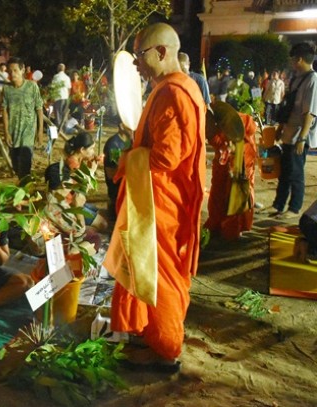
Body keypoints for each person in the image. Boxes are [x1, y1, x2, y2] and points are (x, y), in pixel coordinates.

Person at [104, 23, 206, 369]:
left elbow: (165, 158)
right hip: (157, 198)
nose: (136, 65)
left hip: (161, 204)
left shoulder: (174, 93)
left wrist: (127, 157)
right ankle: (152, 338)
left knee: (159, 275)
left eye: (140, 56)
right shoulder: (175, 87)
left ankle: (166, 351)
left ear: (161, 52)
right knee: (148, 272)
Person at [266, 42, 317, 219]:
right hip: (288, 133)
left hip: (299, 137)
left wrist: (303, 138)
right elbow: (288, 107)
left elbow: (309, 112)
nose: (291, 62)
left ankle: (294, 208)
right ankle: (279, 205)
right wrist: (280, 128)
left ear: (300, 59)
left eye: (292, 59)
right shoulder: (296, 78)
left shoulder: (312, 80)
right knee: (285, 173)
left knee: (296, 173)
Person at [205, 103, 257, 240]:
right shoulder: (240, 125)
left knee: (234, 191)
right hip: (231, 160)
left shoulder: (243, 124)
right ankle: (228, 226)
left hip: (238, 159)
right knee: (225, 191)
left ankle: (231, 227)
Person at [44, 131, 107, 232]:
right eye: (91, 148)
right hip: (69, 204)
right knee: (102, 225)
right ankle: (84, 232)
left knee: (101, 213)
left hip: (71, 200)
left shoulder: (76, 160)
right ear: (82, 149)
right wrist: (91, 171)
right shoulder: (73, 165)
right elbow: (82, 192)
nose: (93, 151)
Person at [2, 56, 44, 179]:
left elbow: (39, 108)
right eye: (10, 71)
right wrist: (6, 132)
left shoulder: (32, 87)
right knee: (15, 165)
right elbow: (4, 111)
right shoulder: (7, 89)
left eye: (15, 70)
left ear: (22, 70)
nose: (12, 74)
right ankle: (23, 186)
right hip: (13, 132)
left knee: (25, 167)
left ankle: (25, 191)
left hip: (28, 132)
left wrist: (40, 131)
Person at [103, 122, 132, 219]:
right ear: (121, 126)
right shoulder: (114, 145)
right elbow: (112, 173)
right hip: (117, 190)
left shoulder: (129, 141)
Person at [51, 63, 72, 128]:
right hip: (65, 97)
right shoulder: (67, 77)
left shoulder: (56, 77)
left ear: (58, 69)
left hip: (58, 97)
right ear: (64, 69)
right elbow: (69, 89)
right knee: (64, 114)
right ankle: (64, 128)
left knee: (58, 114)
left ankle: (59, 129)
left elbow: (53, 88)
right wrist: (67, 97)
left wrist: (52, 98)